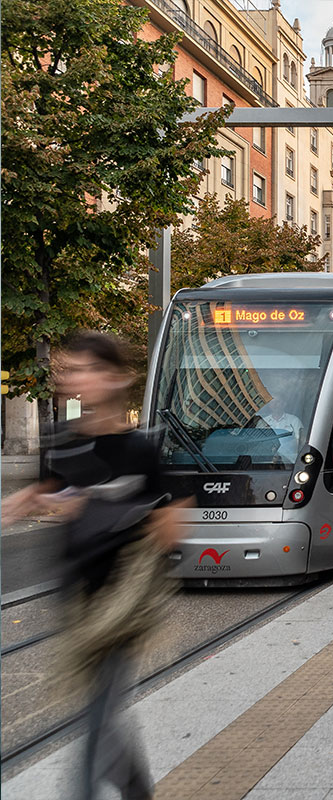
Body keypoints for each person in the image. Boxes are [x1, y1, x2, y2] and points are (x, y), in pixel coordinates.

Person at [2, 331, 185, 800]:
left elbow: (171, 525)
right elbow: (48, 488)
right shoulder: (61, 439)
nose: (70, 380)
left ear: (111, 378)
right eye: (68, 370)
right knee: (101, 718)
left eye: (82, 370)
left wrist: (132, 516)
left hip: (123, 608)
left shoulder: (140, 450)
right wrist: (25, 502)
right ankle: (137, 790)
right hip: (78, 602)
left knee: (95, 723)